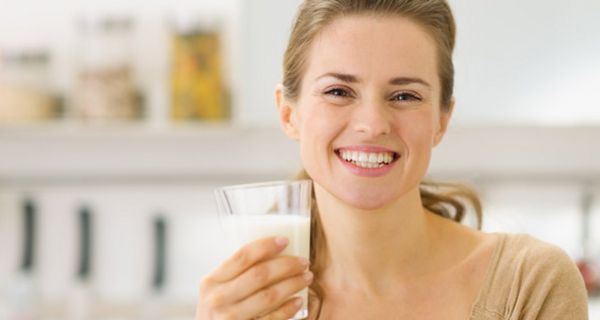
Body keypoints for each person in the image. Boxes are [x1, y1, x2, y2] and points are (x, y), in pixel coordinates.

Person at [196, 0, 589, 319]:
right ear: (288, 114)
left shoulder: (530, 284)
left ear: (441, 120)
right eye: (338, 91)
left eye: (405, 96)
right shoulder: (253, 301)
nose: (372, 124)